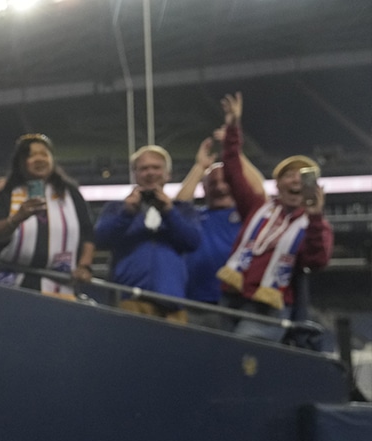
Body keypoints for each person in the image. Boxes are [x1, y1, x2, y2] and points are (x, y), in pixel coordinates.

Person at [215, 92, 333, 341]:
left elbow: (317, 260)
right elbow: (233, 170)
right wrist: (233, 126)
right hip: (232, 297)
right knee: (218, 358)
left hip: (269, 306)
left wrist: (314, 219)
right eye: (289, 175)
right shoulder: (258, 207)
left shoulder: (316, 225)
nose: (296, 180)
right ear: (277, 184)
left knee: (240, 352)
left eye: (304, 176)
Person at [94, 144, 200, 322]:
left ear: (168, 174)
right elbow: (99, 240)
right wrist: (126, 214)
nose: (150, 173)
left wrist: (169, 212)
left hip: (172, 304)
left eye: (156, 167)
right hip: (130, 300)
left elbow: (192, 242)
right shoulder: (116, 208)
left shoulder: (182, 210)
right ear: (135, 175)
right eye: (143, 168)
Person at [0, 133, 94, 295]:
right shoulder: (7, 193)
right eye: (31, 155)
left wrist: (84, 266)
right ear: (21, 162)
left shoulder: (70, 193)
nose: (39, 159)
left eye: (44, 154)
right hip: (11, 281)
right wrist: (17, 218)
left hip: (60, 284)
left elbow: (88, 234)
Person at [176, 133, 266, 327]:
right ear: (204, 189)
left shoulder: (247, 214)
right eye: (213, 183)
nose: (220, 187)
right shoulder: (195, 215)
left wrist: (235, 152)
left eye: (225, 181)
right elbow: (178, 206)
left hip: (237, 302)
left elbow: (259, 190)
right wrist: (199, 167)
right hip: (193, 302)